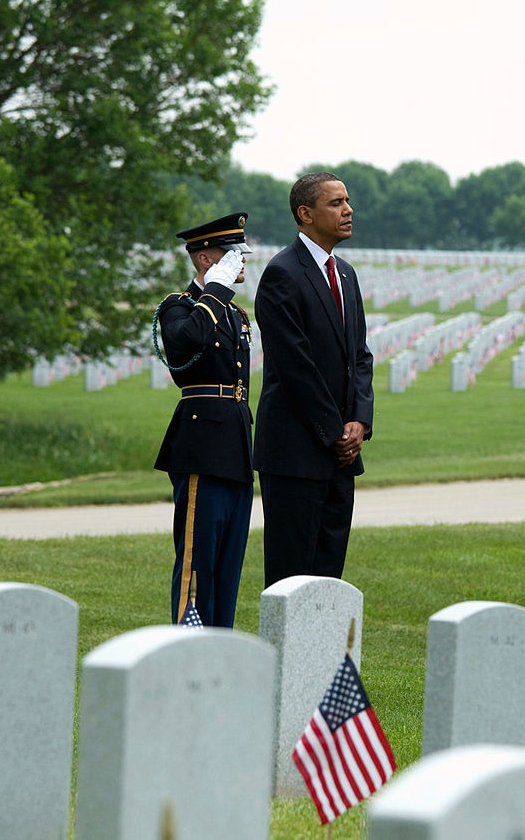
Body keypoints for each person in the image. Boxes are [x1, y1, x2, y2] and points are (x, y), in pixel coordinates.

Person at [254, 173, 374, 587]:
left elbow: (359, 356)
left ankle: (324, 656)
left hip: (340, 453)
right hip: (297, 452)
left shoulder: (344, 274)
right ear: (305, 214)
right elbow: (295, 368)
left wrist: (359, 421)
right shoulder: (282, 274)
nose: (348, 210)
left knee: (328, 580)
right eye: (336, 203)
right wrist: (335, 433)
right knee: (292, 578)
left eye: (347, 200)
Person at [153, 212, 255, 627]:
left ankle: (220, 648)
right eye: (232, 255)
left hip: (235, 447)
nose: (241, 264)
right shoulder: (179, 307)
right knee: (197, 563)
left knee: (229, 566)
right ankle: (188, 645)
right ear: (205, 259)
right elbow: (184, 345)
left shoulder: (235, 315)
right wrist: (214, 289)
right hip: (201, 447)